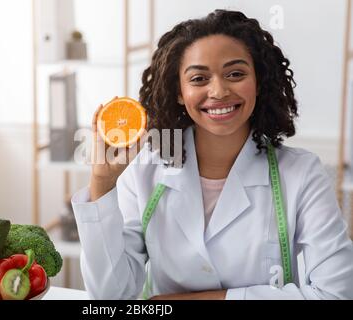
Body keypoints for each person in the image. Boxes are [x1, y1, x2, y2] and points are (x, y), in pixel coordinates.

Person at [71, 9, 353, 299]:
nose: (218, 91)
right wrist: (102, 182)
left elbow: (336, 293)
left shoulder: (301, 173)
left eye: (235, 74)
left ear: (259, 81)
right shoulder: (144, 170)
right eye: (198, 79)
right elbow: (111, 297)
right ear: (178, 91)